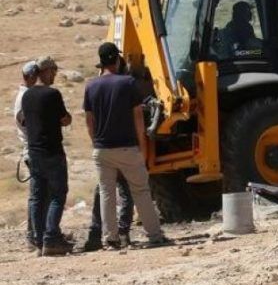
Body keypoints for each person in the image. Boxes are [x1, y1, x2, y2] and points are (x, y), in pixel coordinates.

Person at [84, 42, 168, 248]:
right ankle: (154, 235)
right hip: (127, 148)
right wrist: (142, 146)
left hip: (102, 149)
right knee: (141, 191)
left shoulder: (91, 86)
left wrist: (96, 143)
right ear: (116, 60)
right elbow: (138, 118)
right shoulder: (128, 83)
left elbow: (89, 121)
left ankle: (110, 238)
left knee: (107, 194)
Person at [18, 56, 73, 256]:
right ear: (47, 71)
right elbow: (65, 119)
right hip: (52, 152)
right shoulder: (52, 94)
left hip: (34, 152)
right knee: (58, 195)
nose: (55, 75)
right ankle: (51, 239)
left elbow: (24, 121)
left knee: (38, 197)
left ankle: (38, 240)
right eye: (54, 71)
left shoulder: (26, 96)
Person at [14, 61, 40, 249]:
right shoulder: (25, 98)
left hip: (32, 149)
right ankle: (33, 236)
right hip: (32, 150)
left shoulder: (26, 95)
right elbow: (27, 123)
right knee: (37, 195)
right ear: (31, 76)